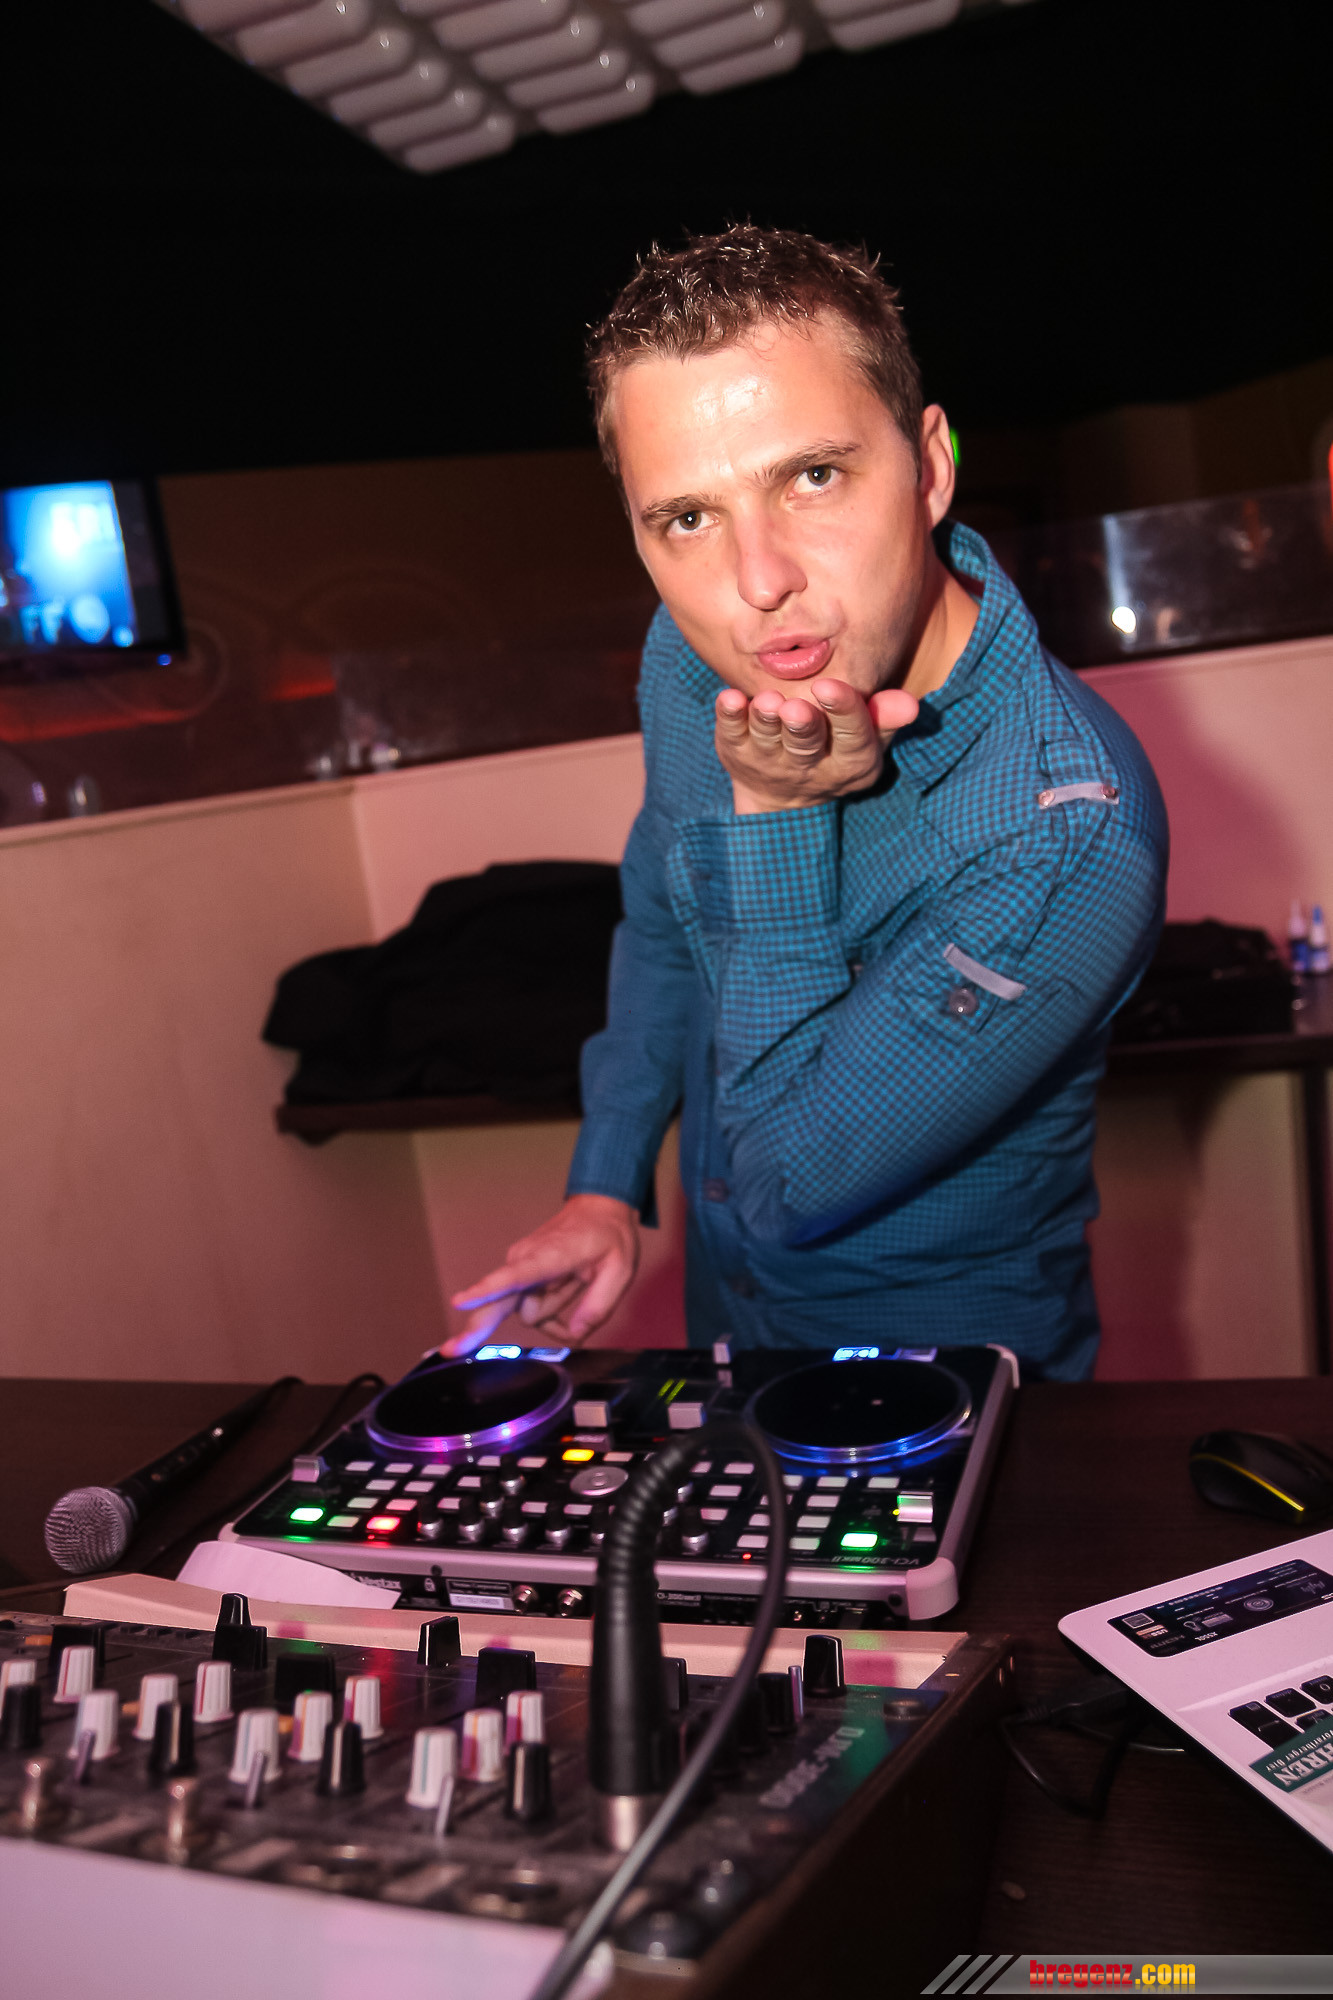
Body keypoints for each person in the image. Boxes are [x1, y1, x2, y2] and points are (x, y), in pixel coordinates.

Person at [454, 226, 1167, 1380]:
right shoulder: (694, 656)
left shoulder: (1067, 826)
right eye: (688, 517)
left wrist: (774, 814)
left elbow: (788, 1181)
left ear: (929, 467)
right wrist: (605, 1183)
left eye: (812, 477)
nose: (757, 582)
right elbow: (662, 920)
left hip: (948, 1375)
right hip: (728, 1326)